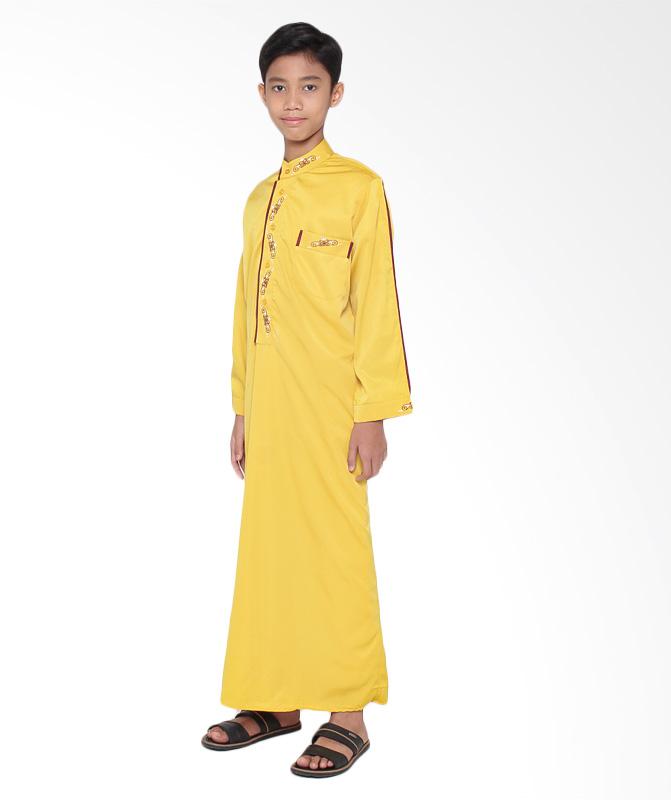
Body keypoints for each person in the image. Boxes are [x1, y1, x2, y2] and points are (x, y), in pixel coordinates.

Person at [201, 22, 413, 778]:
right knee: (269, 550)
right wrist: (243, 407)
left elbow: (377, 303)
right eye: (280, 87)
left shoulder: (359, 189)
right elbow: (245, 309)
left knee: (334, 551)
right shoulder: (260, 199)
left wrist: (372, 411)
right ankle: (275, 701)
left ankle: (347, 715)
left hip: (331, 404)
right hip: (272, 406)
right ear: (262, 94)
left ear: (336, 94)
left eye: (310, 87)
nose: (294, 102)